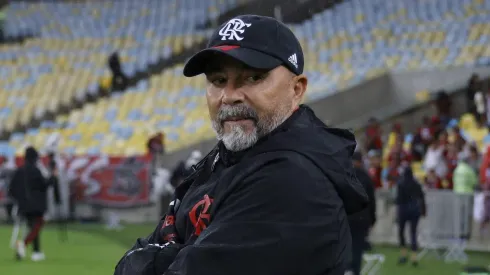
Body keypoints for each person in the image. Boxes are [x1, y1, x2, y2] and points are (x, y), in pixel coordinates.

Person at [114, 15, 368, 275]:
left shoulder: (293, 178)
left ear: (297, 89)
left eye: (254, 78)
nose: (230, 96)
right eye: (218, 80)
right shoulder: (228, 156)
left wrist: (161, 255)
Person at [8, 147, 52, 261]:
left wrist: (20, 199)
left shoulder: (19, 171)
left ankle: (36, 252)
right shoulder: (35, 170)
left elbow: (11, 189)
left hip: (23, 205)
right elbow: (44, 185)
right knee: (37, 225)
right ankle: (23, 244)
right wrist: (52, 177)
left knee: (32, 227)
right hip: (36, 204)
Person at [348, 152, 376, 275]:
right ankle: (355, 271)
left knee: (345, 246)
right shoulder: (366, 177)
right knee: (358, 248)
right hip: (362, 219)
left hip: (347, 218)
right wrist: (372, 219)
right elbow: (372, 201)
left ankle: (345, 270)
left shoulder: (345, 175)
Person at [395, 167, 426, 266]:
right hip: (414, 209)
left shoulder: (400, 184)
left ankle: (403, 254)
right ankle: (414, 257)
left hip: (403, 210)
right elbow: (422, 197)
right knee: (413, 233)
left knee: (401, 232)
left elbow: (398, 199)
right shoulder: (416, 184)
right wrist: (424, 210)